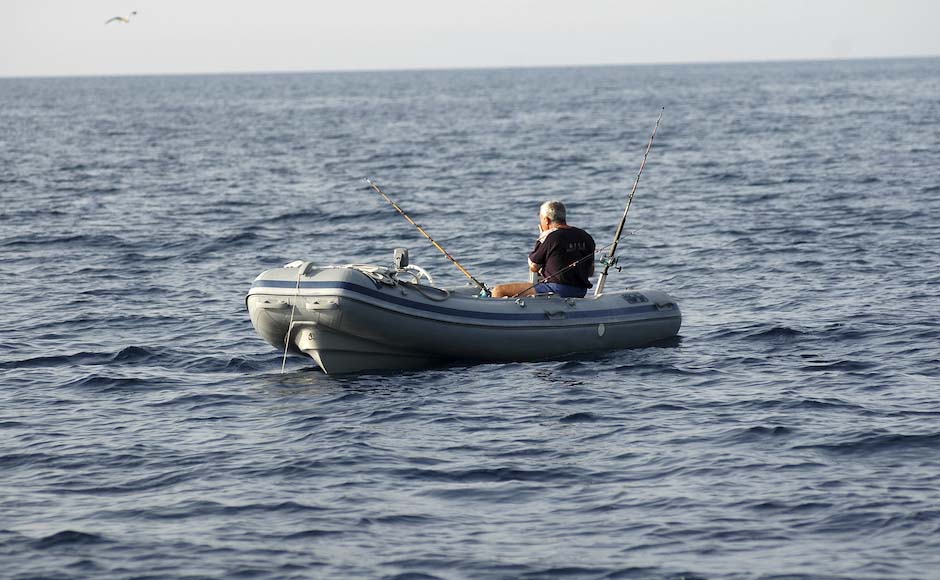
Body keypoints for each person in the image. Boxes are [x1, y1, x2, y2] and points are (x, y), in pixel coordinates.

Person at [491, 200, 595, 298]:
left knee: (498, 290)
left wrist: (541, 238)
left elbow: (533, 266)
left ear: (546, 220)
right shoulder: (585, 236)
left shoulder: (551, 237)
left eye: (540, 218)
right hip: (581, 291)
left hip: (557, 290)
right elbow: (590, 271)